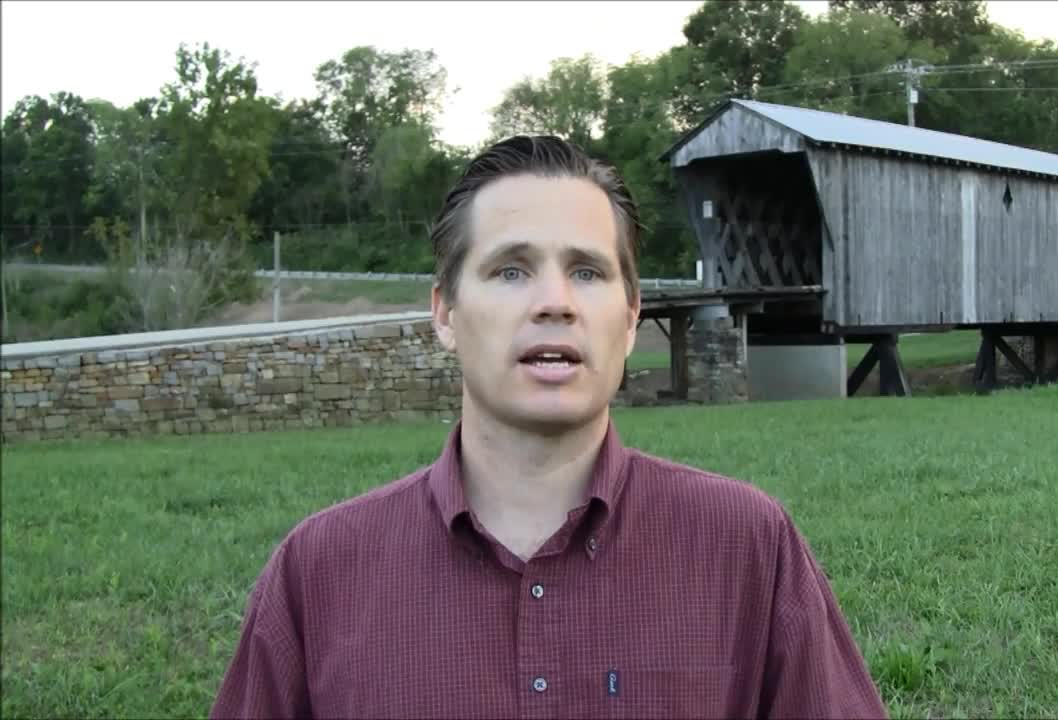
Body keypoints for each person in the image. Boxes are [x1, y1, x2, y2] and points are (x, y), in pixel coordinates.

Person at [210, 135, 888, 720]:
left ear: (628, 317)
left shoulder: (747, 547)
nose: (555, 303)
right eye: (511, 270)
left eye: (587, 272)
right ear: (445, 313)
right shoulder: (319, 571)